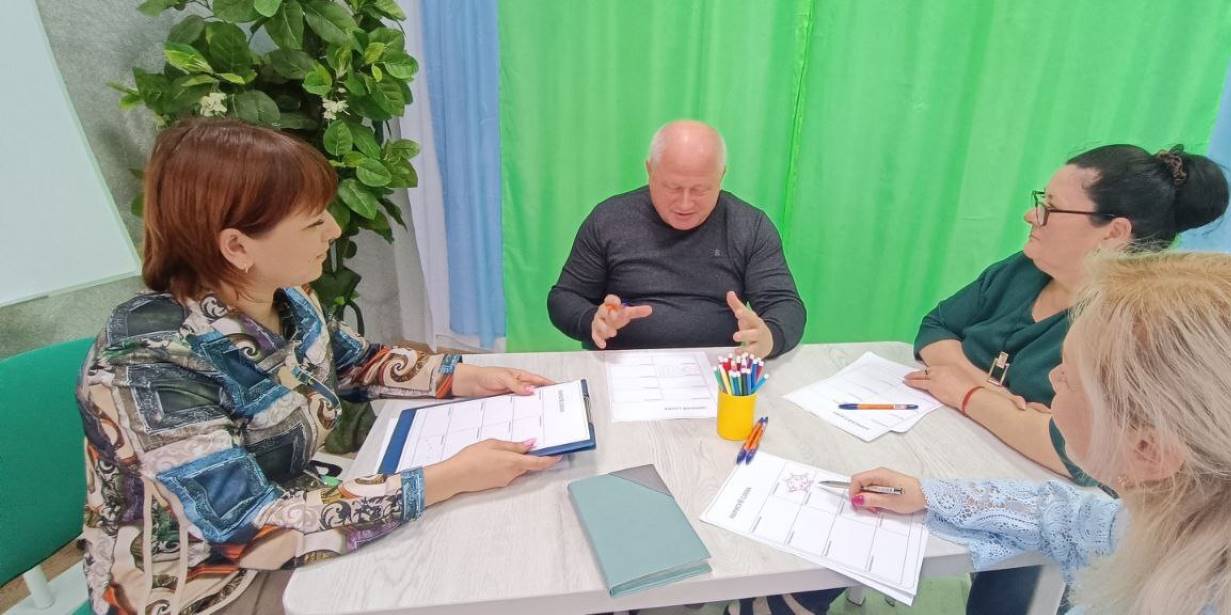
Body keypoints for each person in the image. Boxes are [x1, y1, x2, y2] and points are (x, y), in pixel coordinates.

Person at [76, 118, 559, 615]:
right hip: (203, 582)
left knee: (482, 541)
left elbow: (358, 362)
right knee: (450, 576)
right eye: (312, 222)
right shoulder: (147, 363)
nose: (334, 229)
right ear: (237, 246)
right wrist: (447, 478)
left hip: (300, 510)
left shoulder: (286, 297)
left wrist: (458, 376)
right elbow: (246, 525)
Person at [850, 251, 1231, 613]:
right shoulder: (1194, 521)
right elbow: (1073, 517)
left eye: (1069, 377)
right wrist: (930, 494)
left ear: (1148, 450)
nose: (1052, 379)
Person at [908, 144, 1229, 487]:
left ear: (1113, 233)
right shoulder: (1025, 268)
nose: (1031, 215)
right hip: (948, 444)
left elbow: (1083, 454)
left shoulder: (1138, 326)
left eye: (1051, 207)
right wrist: (993, 394)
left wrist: (967, 395)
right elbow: (936, 328)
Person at [547, 120, 805, 359]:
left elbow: (784, 304)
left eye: (700, 190)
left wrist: (770, 338)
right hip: (621, 365)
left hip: (716, 369)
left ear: (721, 176)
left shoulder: (748, 225)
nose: (685, 204)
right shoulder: (609, 219)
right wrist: (592, 320)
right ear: (650, 170)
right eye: (673, 187)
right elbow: (565, 298)